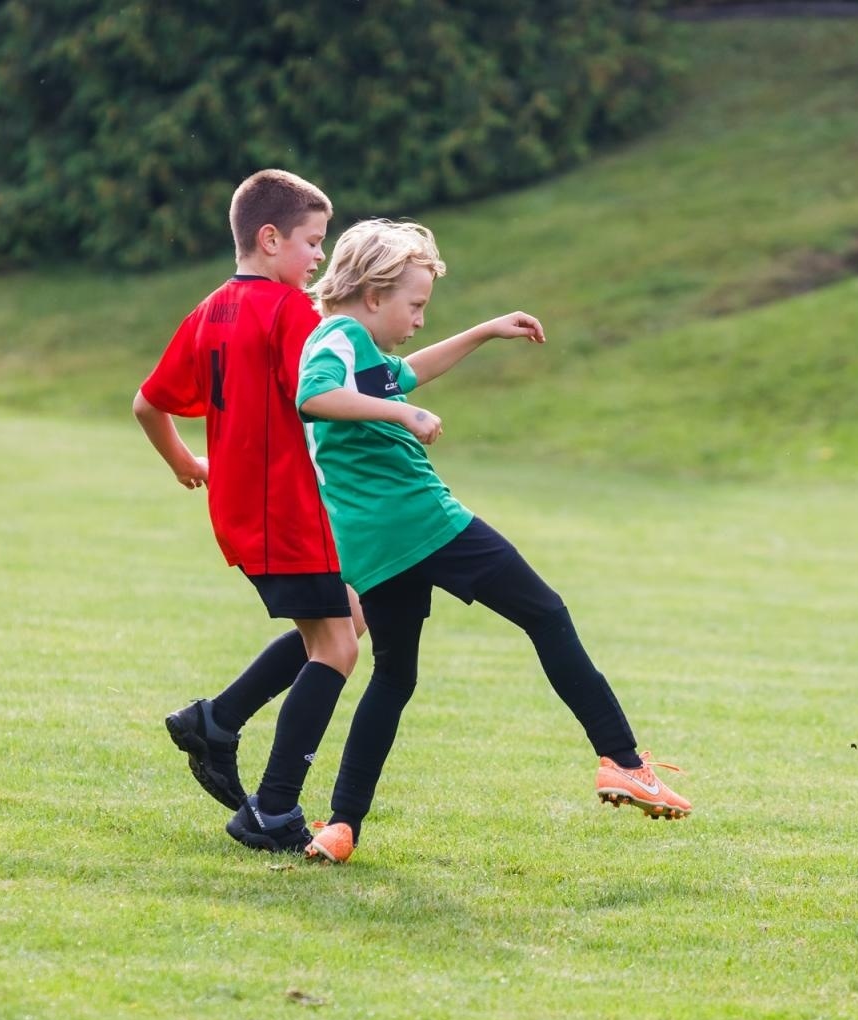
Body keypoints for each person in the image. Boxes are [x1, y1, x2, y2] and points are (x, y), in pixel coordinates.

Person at [293, 219, 690, 863]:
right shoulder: (338, 338)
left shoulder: (356, 349)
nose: (420, 319)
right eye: (415, 305)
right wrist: (403, 414)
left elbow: (406, 373)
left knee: (393, 677)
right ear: (373, 294)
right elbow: (314, 395)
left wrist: (483, 331)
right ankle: (622, 760)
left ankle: (341, 826)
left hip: (371, 544)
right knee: (546, 614)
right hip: (423, 520)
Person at [134, 168, 362, 853]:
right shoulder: (290, 311)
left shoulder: (210, 310)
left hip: (243, 512)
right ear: (270, 239)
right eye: (312, 241)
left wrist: (185, 462)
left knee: (350, 621)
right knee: (340, 647)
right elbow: (321, 399)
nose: (319, 256)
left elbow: (148, 403)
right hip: (287, 508)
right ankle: (272, 811)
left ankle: (218, 720)